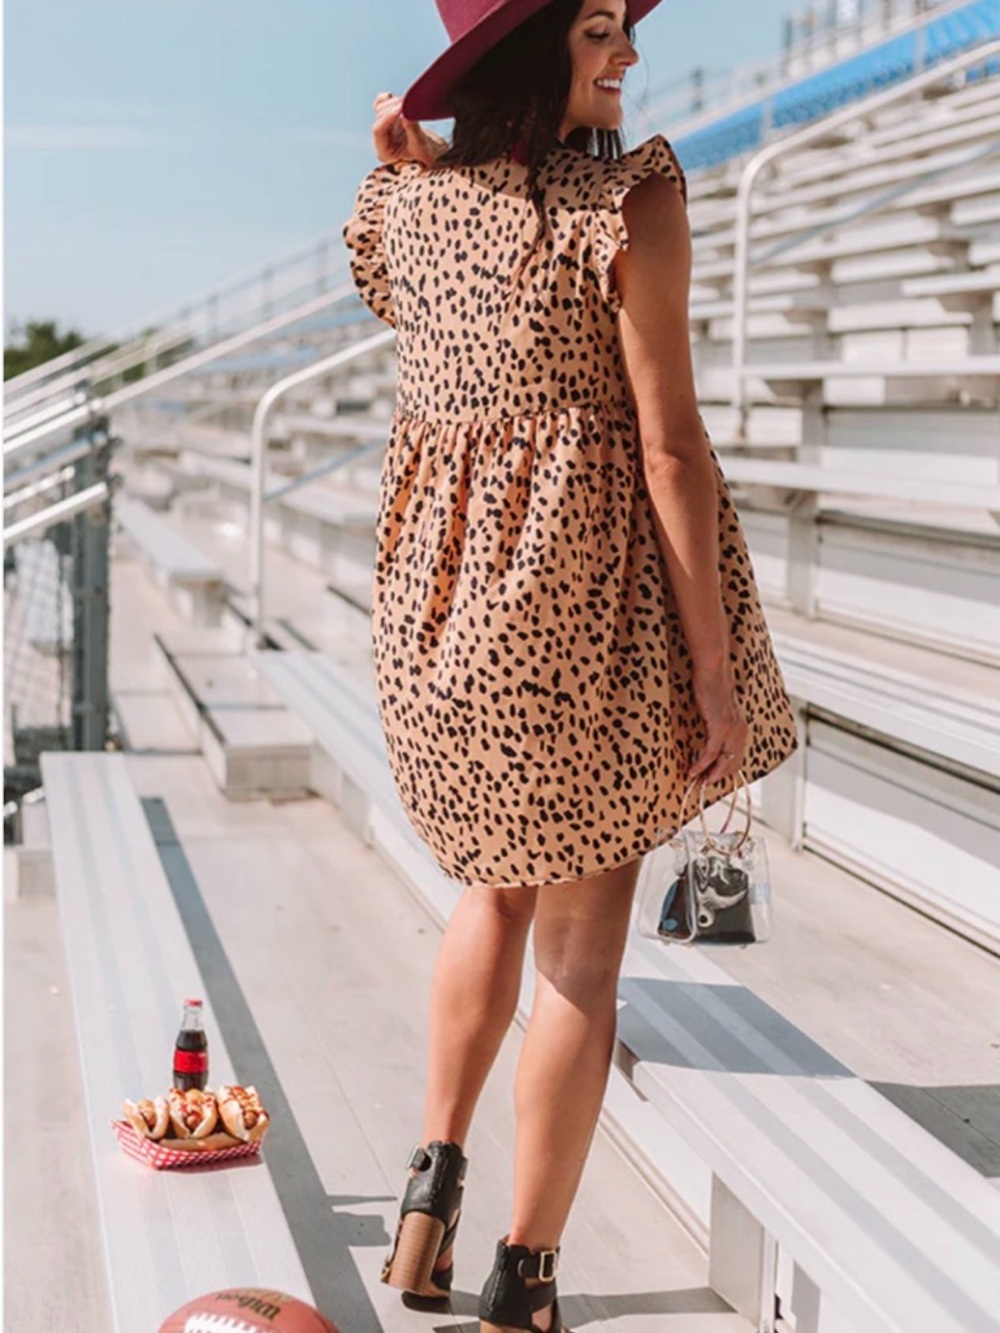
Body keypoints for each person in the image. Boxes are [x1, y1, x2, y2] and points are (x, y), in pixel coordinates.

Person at [342, 2, 798, 1329]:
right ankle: (524, 1280)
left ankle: (426, 1202)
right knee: (581, 965)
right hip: (576, 621)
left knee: (488, 899)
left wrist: (417, 159)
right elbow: (671, 454)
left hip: (442, 631)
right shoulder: (628, 201)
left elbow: (441, 236)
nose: (629, 54)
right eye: (599, 26)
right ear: (530, 48)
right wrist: (712, 673)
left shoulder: (393, 209)